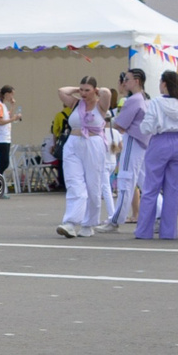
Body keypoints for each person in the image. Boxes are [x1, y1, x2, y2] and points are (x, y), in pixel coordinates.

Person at [133, 70, 178, 241]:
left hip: (159, 142)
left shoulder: (156, 102)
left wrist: (147, 129)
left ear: (165, 83)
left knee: (151, 188)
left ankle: (144, 230)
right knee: (174, 190)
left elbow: (147, 126)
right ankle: (169, 231)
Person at [56, 77, 112, 237]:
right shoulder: (76, 103)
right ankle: (70, 222)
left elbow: (106, 93)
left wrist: (95, 91)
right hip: (73, 143)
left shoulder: (101, 105)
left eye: (87, 90)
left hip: (93, 144)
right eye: (82, 90)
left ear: (95, 90)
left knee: (93, 186)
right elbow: (61, 91)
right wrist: (77, 90)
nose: (83, 93)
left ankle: (89, 224)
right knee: (74, 183)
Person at [107, 67, 148, 231]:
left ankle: (116, 220)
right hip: (142, 143)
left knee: (125, 180)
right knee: (144, 182)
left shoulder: (133, 100)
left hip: (132, 140)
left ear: (136, 81)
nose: (125, 82)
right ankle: (158, 213)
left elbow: (119, 125)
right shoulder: (143, 98)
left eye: (127, 79)